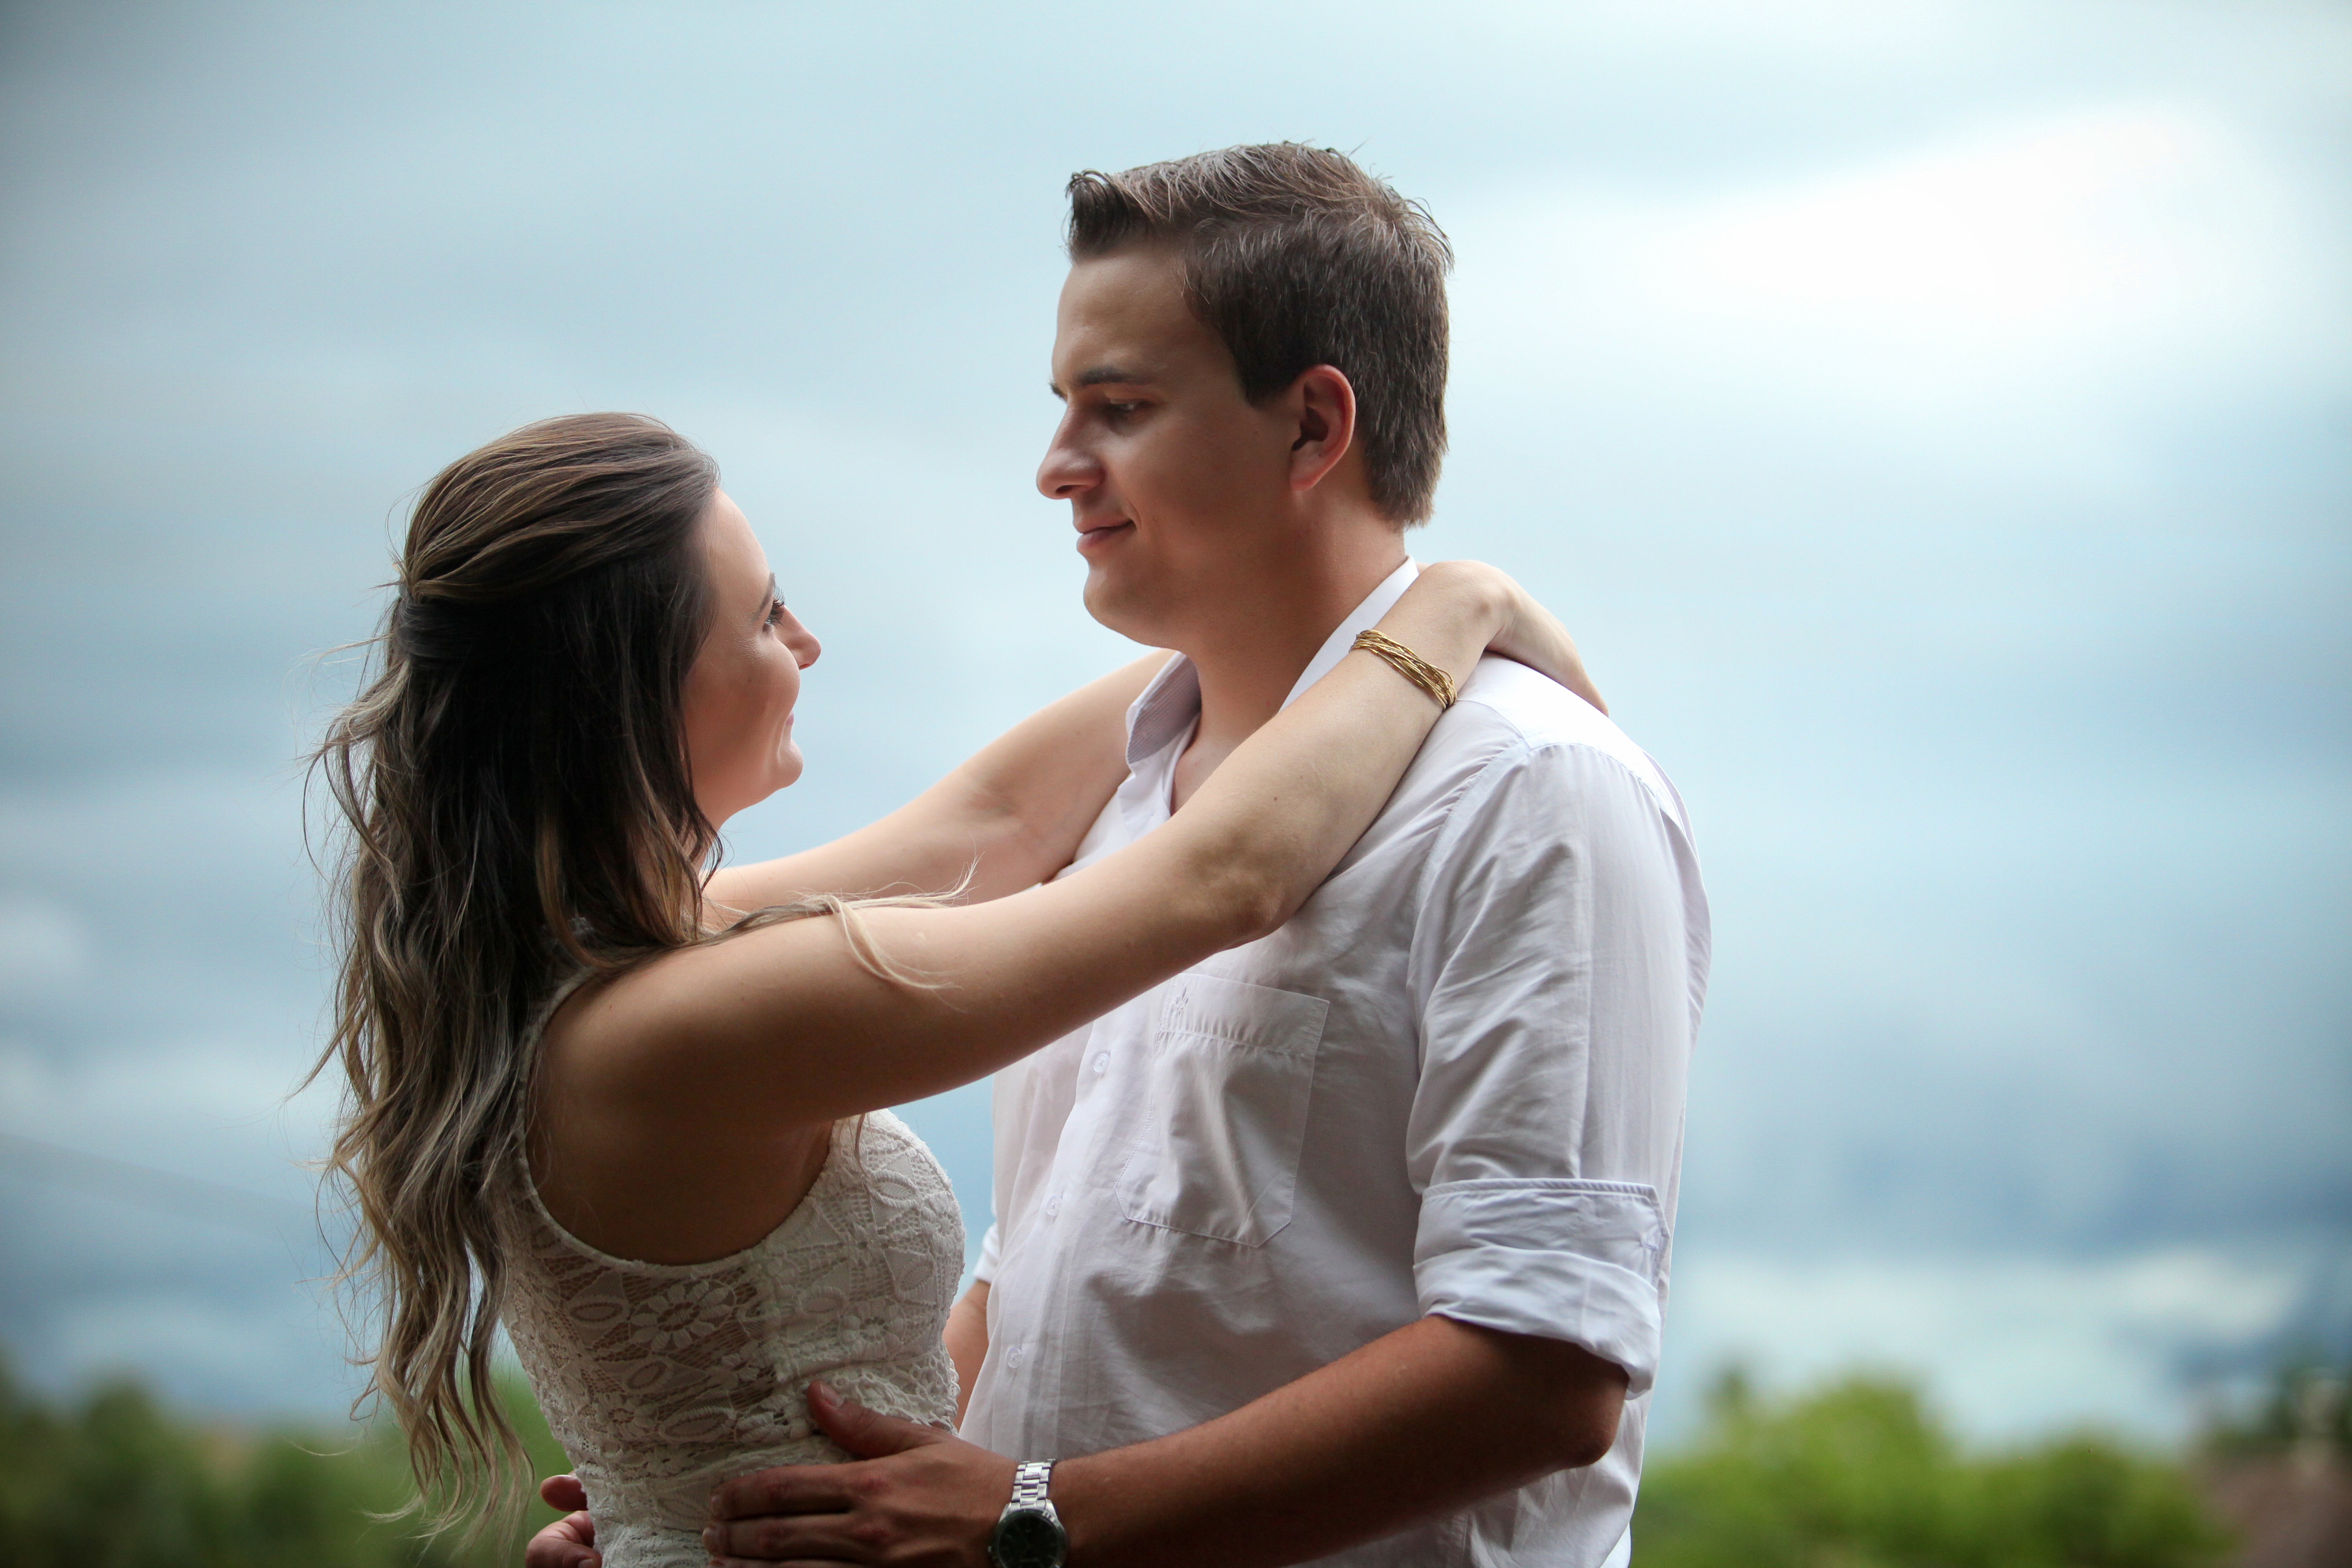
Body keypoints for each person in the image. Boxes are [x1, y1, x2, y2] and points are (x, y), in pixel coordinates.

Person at [313, 410, 1592, 1567]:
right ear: (637, 689)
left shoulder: (605, 958)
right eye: (763, 617)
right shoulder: (700, 1013)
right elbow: (1224, 878)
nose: (807, 640)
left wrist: (1338, 610)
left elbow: (993, 817)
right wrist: (1450, 605)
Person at [679, 145, 1710, 1568]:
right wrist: (741, 1512)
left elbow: (1547, 1369)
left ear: (1312, 429)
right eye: (1064, 411)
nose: (1054, 469)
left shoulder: (1533, 792)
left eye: (1120, 410)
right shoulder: (1113, 803)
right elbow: (1053, 1266)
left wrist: (1035, 1518)